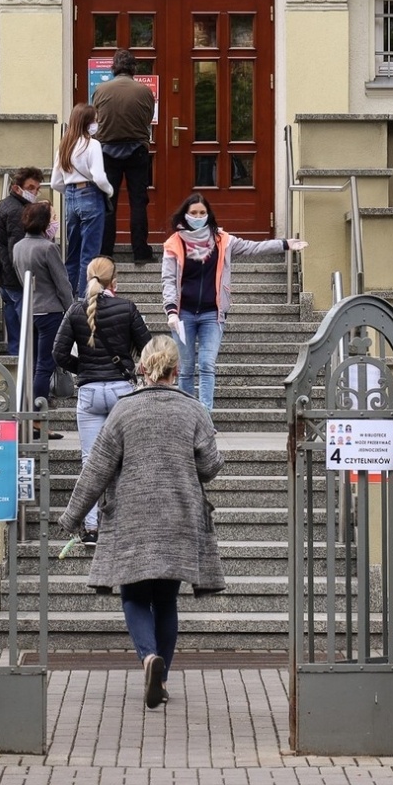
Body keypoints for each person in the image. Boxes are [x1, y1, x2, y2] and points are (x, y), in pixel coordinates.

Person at [58, 335, 224, 710]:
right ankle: (160, 680)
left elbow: (96, 470)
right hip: (179, 516)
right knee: (166, 599)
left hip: (132, 518)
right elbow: (210, 467)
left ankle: (148, 658)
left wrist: (71, 517)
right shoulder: (194, 410)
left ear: (142, 368)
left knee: (134, 595)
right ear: (177, 371)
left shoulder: (123, 411)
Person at [160, 194, 307, 411]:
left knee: (207, 365)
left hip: (212, 314)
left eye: (202, 213)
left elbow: (252, 248)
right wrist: (171, 311)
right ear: (185, 215)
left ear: (208, 214)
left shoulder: (222, 240)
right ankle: (187, 415)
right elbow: (169, 279)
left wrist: (284, 244)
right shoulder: (174, 243)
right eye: (194, 213)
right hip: (183, 314)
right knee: (186, 368)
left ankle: (205, 417)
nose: (198, 217)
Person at [53, 256, 152, 543]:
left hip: (90, 393)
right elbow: (148, 348)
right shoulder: (127, 308)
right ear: (114, 280)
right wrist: (132, 368)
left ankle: (91, 527)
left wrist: (83, 369)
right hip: (122, 391)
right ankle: (125, 524)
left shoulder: (75, 310)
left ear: (88, 278)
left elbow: (58, 353)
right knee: (124, 458)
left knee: (91, 460)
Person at [11, 199, 72, 437]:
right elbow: (62, 283)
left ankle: (25, 416)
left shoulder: (18, 247)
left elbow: (21, 279)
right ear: (44, 223)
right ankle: (36, 420)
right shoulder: (48, 248)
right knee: (44, 366)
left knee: (31, 365)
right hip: (50, 311)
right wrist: (71, 309)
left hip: (29, 310)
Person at [92, 48, 157, 266]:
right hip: (137, 150)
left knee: (108, 202)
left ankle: (105, 251)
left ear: (113, 68)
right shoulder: (145, 91)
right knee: (138, 201)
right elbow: (148, 118)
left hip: (107, 151)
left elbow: (96, 117)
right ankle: (140, 251)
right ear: (133, 69)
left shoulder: (100, 90)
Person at [50, 102, 113, 298]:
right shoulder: (92, 144)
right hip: (91, 195)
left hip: (70, 197)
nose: (97, 124)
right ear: (87, 122)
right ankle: (87, 298)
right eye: (95, 120)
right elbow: (99, 177)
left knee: (73, 253)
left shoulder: (64, 146)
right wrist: (109, 190)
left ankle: (67, 299)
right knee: (89, 253)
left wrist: (71, 191)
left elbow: (55, 182)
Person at [0, 167, 45, 355]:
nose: (35, 192)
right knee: (29, 330)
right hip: (17, 280)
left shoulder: (4, 205)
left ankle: (16, 362)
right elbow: (18, 250)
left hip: (5, 278)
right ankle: (29, 366)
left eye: (37, 188)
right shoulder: (18, 212)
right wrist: (25, 279)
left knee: (14, 329)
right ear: (16, 188)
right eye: (30, 188)